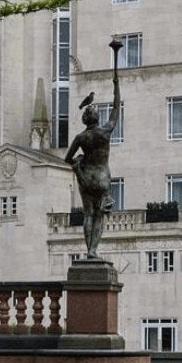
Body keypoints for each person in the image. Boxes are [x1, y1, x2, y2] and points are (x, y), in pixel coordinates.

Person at [63, 63, 122, 259]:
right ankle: (93, 250)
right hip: (102, 178)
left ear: (85, 120)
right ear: (97, 118)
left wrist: (79, 165)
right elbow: (116, 108)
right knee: (99, 216)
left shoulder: (81, 137)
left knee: (88, 214)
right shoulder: (105, 132)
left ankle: (89, 251)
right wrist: (116, 86)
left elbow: (68, 159)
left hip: (86, 179)